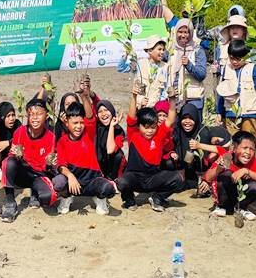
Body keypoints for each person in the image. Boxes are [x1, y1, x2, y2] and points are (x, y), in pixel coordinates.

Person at [116, 81, 184, 212]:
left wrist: (172, 100)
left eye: (152, 127)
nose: (149, 131)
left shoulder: (159, 134)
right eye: (146, 127)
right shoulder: (133, 134)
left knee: (178, 179)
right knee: (121, 182)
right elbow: (131, 117)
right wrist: (134, 96)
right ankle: (129, 199)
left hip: (153, 178)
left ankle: (157, 198)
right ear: (139, 126)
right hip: (135, 177)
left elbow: (170, 119)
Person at [53, 101, 118, 216]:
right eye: (75, 123)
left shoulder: (89, 133)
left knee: (108, 188)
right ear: (66, 123)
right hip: (74, 184)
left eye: (81, 122)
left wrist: (84, 96)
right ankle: (66, 198)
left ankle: (100, 199)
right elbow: (61, 165)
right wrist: (70, 176)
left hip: (91, 181)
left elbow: (90, 117)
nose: (79, 126)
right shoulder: (62, 141)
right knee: (58, 182)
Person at [0, 99, 58, 223]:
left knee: (49, 198)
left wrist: (50, 164)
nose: (35, 118)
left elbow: (49, 168)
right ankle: (10, 202)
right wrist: (17, 155)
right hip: (23, 173)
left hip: (39, 175)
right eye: (31, 114)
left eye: (39, 114)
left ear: (46, 116)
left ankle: (35, 192)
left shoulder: (51, 137)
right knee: (8, 162)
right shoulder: (20, 132)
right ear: (27, 116)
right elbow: (11, 158)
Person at [203, 131, 256, 227]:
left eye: (252, 149)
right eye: (244, 148)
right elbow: (208, 177)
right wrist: (219, 168)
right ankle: (221, 207)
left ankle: (242, 208)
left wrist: (247, 171)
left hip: (240, 197)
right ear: (233, 148)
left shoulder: (254, 161)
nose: (248, 152)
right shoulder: (226, 157)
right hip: (225, 196)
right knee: (226, 174)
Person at [215, 40, 256, 136]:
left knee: (248, 141)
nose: (234, 62)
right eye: (231, 58)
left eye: (238, 59)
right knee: (233, 142)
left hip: (249, 113)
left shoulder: (253, 68)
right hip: (231, 112)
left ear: (246, 56)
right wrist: (219, 112)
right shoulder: (226, 69)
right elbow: (222, 91)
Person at [118, 35, 170, 107]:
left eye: (163, 50)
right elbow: (121, 68)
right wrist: (127, 53)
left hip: (156, 108)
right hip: (140, 106)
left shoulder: (165, 67)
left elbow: (165, 89)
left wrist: (160, 105)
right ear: (150, 51)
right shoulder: (139, 64)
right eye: (159, 49)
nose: (162, 52)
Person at [170, 18, 208, 114]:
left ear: (191, 33)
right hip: (174, 100)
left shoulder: (198, 51)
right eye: (180, 32)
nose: (183, 35)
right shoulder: (170, 51)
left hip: (193, 101)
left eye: (186, 32)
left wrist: (189, 65)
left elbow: (201, 75)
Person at [94, 100, 126, 180]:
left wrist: (112, 126)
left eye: (106, 110)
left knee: (119, 155)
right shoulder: (95, 128)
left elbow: (110, 150)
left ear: (112, 112)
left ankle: (114, 179)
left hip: (113, 168)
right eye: (100, 111)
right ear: (97, 115)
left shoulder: (119, 130)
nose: (103, 114)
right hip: (98, 166)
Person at [0, 102, 19, 182]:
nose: (11, 118)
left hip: (13, 157)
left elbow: (22, 138)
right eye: (8, 116)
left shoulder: (17, 124)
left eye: (13, 115)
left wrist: (8, 142)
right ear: (2, 117)